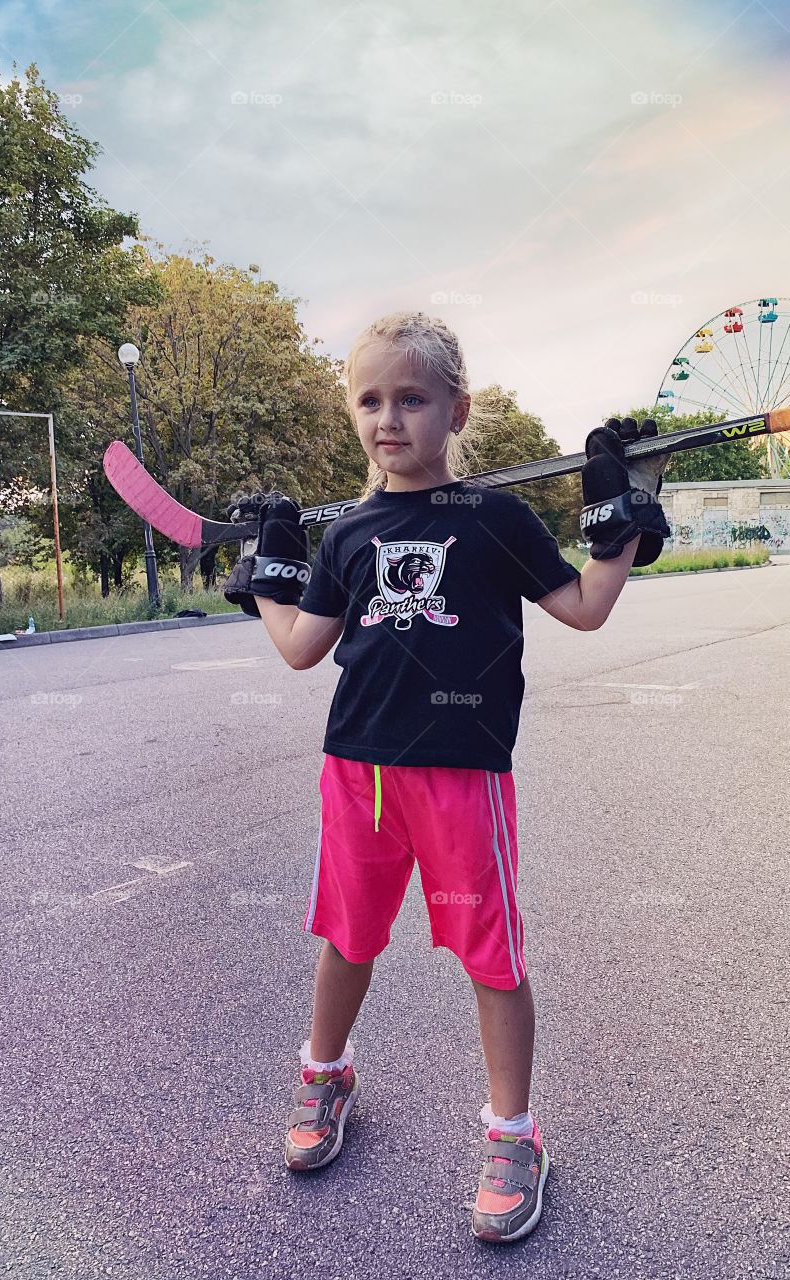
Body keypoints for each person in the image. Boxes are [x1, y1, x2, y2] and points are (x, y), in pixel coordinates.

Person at [223, 311, 669, 1243]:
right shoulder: (347, 535)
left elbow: (584, 609)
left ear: (456, 409)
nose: (390, 418)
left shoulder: (497, 520)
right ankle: (325, 1074)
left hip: (461, 781)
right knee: (348, 939)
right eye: (371, 400)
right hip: (357, 778)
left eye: (413, 398)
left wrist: (618, 520)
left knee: (491, 956)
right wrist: (268, 575)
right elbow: (304, 649)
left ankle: (514, 1136)